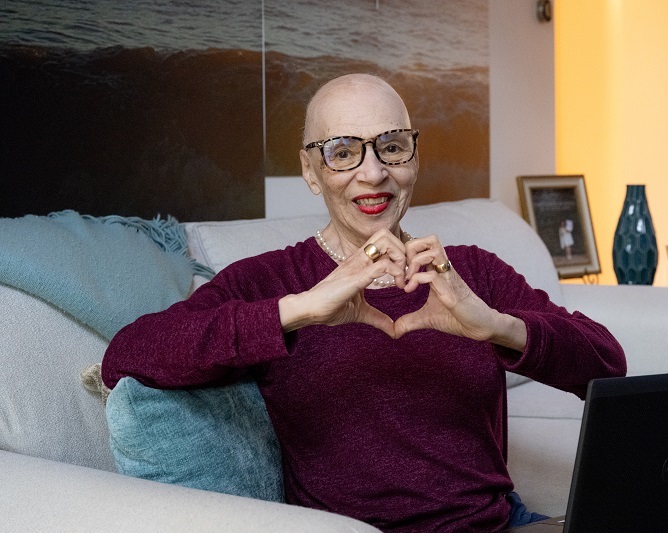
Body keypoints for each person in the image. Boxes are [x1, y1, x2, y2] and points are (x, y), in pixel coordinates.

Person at [102, 73, 626, 532]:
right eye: (343, 152)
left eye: (392, 146)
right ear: (311, 171)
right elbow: (128, 354)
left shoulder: (469, 271)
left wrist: (495, 325)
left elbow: (607, 364)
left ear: (413, 159)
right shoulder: (274, 280)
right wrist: (302, 308)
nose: (373, 173)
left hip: (500, 525)